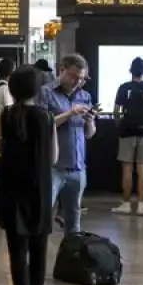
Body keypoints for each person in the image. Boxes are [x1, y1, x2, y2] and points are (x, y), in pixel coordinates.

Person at [0, 65, 57, 285]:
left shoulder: (6, 115)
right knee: (39, 249)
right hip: (40, 191)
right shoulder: (47, 118)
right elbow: (54, 157)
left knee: (16, 250)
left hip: (11, 191)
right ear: (38, 89)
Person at [37, 54, 95, 234]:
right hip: (53, 166)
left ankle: (71, 256)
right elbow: (43, 126)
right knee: (43, 213)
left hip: (78, 167)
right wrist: (69, 113)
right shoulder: (46, 92)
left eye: (81, 79)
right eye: (73, 77)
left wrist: (89, 121)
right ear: (61, 70)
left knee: (74, 218)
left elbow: (90, 134)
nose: (77, 82)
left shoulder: (85, 96)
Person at [111, 57, 143, 216]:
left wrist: (119, 125)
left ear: (130, 70)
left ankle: (126, 203)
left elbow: (116, 111)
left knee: (127, 169)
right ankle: (141, 205)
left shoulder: (123, 87)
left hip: (127, 131)